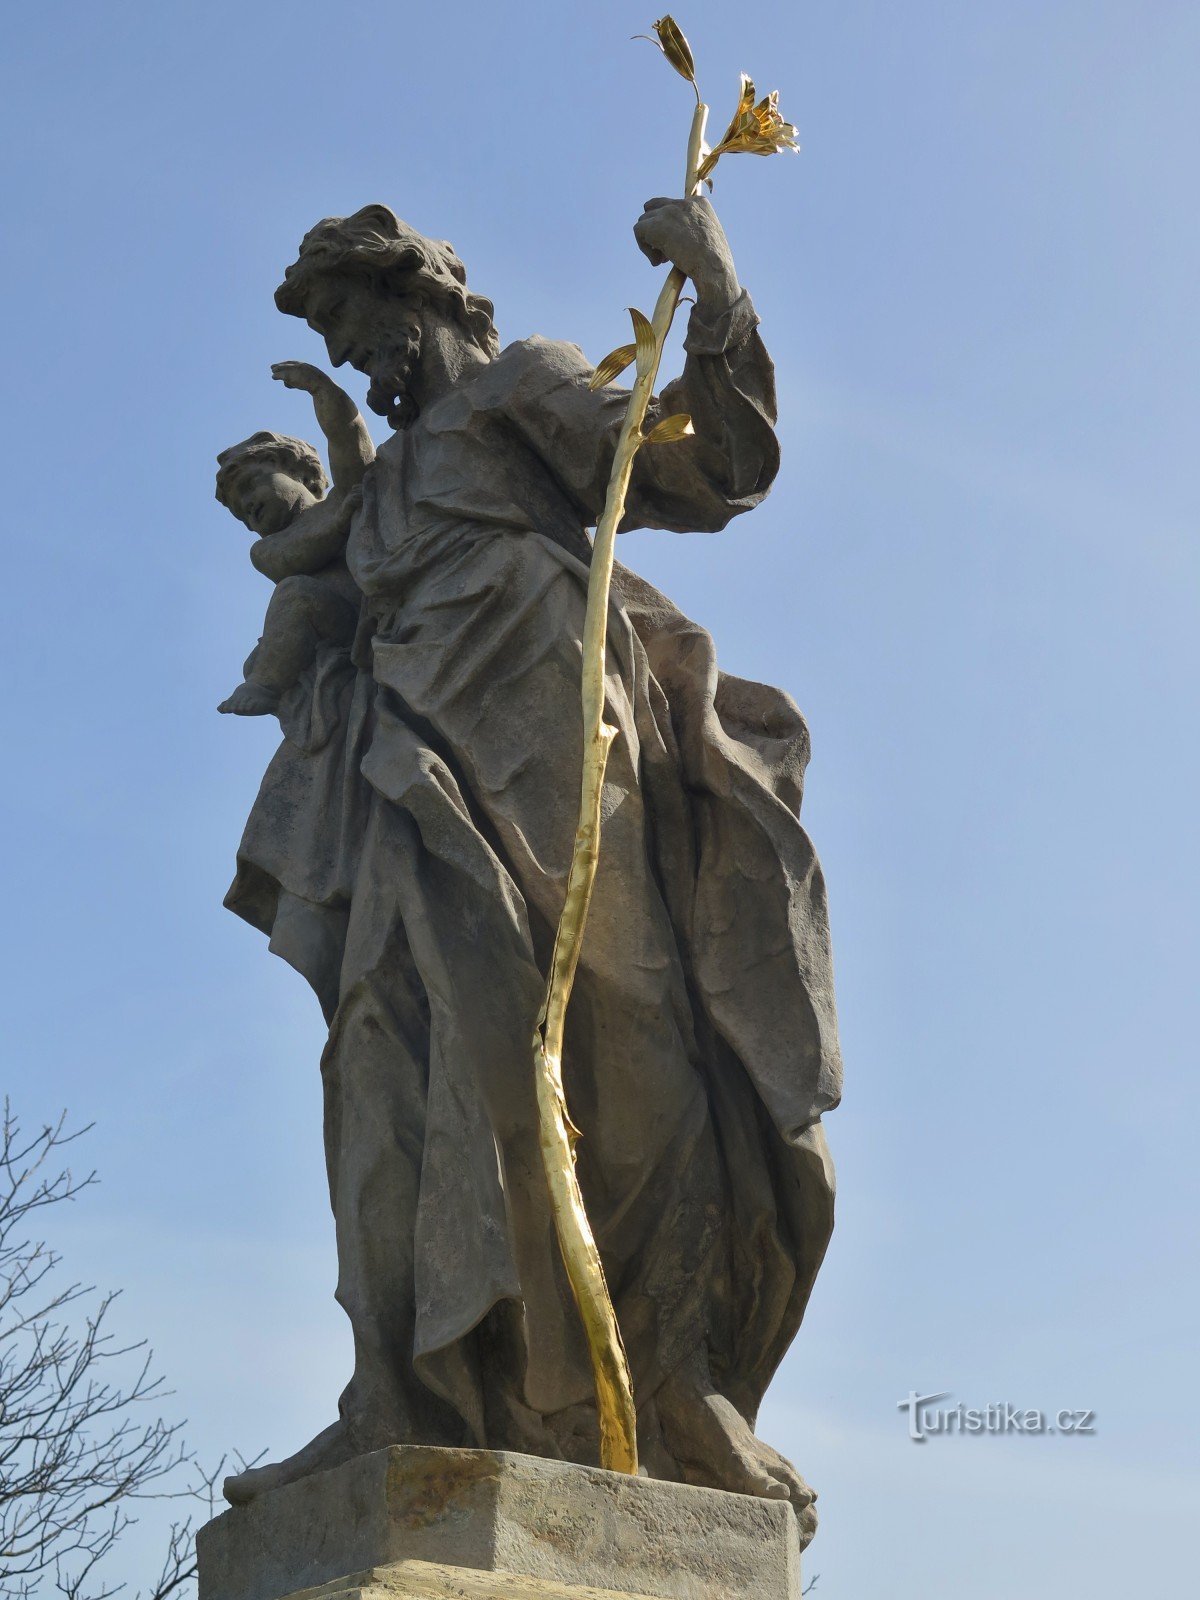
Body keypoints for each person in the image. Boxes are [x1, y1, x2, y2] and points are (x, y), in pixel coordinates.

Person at [220, 197, 841, 1547]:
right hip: (406, 782)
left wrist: (719, 290)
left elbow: (711, 471)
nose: (356, 355)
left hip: (562, 759)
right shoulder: (380, 484)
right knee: (387, 1067)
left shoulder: (525, 390)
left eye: (352, 320)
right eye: (334, 333)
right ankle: (400, 1391)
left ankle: (670, 1393)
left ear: (422, 298)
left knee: (635, 1058)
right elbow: (316, 598)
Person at [214, 364, 374, 716]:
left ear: (300, 471)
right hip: (337, 620)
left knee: (292, 601)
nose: (247, 506)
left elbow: (349, 436)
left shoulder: (341, 500)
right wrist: (340, 523)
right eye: (239, 512)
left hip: (375, 611)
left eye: (250, 486)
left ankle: (265, 682)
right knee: (293, 596)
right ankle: (265, 685)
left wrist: (321, 388)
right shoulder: (266, 550)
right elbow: (298, 558)